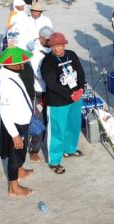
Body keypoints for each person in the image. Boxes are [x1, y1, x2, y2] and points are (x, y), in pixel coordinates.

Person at [40, 32, 86, 174]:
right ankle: (54, 161)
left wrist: (80, 88)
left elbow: (80, 72)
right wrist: (69, 94)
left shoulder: (71, 54)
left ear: (64, 44)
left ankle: (69, 149)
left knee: (73, 125)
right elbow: (51, 83)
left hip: (75, 98)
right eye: (54, 46)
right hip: (58, 101)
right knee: (57, 130)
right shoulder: (47, 61)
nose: (57, 49)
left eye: (60, 45)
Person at [0, 47, 37, 197]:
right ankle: (13, 187)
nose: (22, 65)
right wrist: (14, 135)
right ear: (11, 65)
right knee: (15, 155)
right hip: (16, 125)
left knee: (21, 152)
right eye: (20, 63)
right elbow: (4, 112)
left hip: (22, 121)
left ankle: (20, 170)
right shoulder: (6, 84)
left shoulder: (12, 74)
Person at [26, 26, 53, 162]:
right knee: (39, 121)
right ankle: (34, 149)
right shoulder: (36, 53)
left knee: (50, 120)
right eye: (48, 39)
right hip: (39, 93)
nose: (50, 41)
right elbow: (39, 75)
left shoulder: (52, 49)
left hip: (51, 91)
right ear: (41, 37)